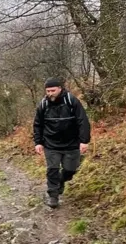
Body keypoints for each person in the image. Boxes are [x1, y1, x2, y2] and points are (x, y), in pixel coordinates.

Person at [33, 77, 91, 208]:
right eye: (48, 91)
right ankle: (53, 196)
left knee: (70, 170)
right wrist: (38, 142)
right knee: (52, 169)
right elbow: (38, 124)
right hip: (51, 144)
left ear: (60, 88)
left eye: (53, 90)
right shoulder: (43, 104)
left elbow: (82, 120)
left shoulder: (71, 101)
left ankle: (60, 181)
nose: (50, 93)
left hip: (71, 143)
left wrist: (84, 141)